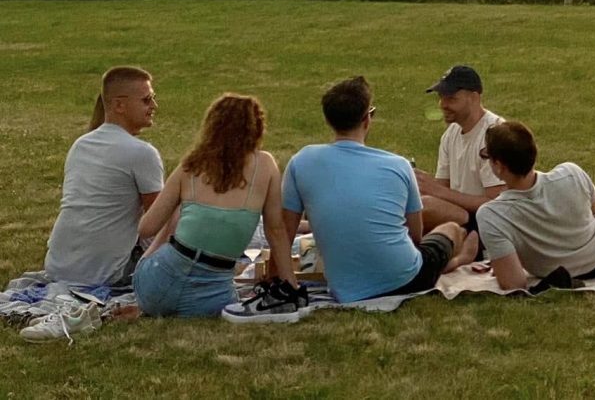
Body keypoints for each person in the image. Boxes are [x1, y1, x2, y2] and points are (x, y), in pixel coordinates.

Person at [281, 76, 478, 303]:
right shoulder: (398, 165)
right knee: (452, 229)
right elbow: (415, 236)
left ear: (328, 119)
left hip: (344, 287)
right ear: (367, 119)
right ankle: (458, 260)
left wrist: (283, 279)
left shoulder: (301, 161)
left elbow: (284, 232)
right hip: (405, 279)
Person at [132, 94, 296, 317]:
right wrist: (291, 286)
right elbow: (276, 231)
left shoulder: (190, 166)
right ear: (257, 128)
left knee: (178, 213)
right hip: (211, 299)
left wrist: (171, 227)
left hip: (155, 290)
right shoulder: (265, 165)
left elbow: (146, 228)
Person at [43, 66, 165, 286]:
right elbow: (159, 221)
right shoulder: (142, 153)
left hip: (58, 266)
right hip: (106, 274)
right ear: (119, 105)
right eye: (146, 100)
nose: (154, 106)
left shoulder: (81, 145)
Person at [475, 121, 595, 292]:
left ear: (499, 166)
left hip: (558, 270)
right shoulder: (570, 173)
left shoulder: (492, 215)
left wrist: (502, 261)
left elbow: (513, 283)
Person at [413, 65, 505, 234]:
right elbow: (442, 189)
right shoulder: (451, 134)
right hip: (462, 216)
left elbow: (496, 204)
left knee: (423, 208)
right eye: (441, 98)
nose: (442, 105)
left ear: (474, 98)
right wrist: (422, 183)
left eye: (451, 99)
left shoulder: (495, 135)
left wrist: (436, 190)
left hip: (488, 223)